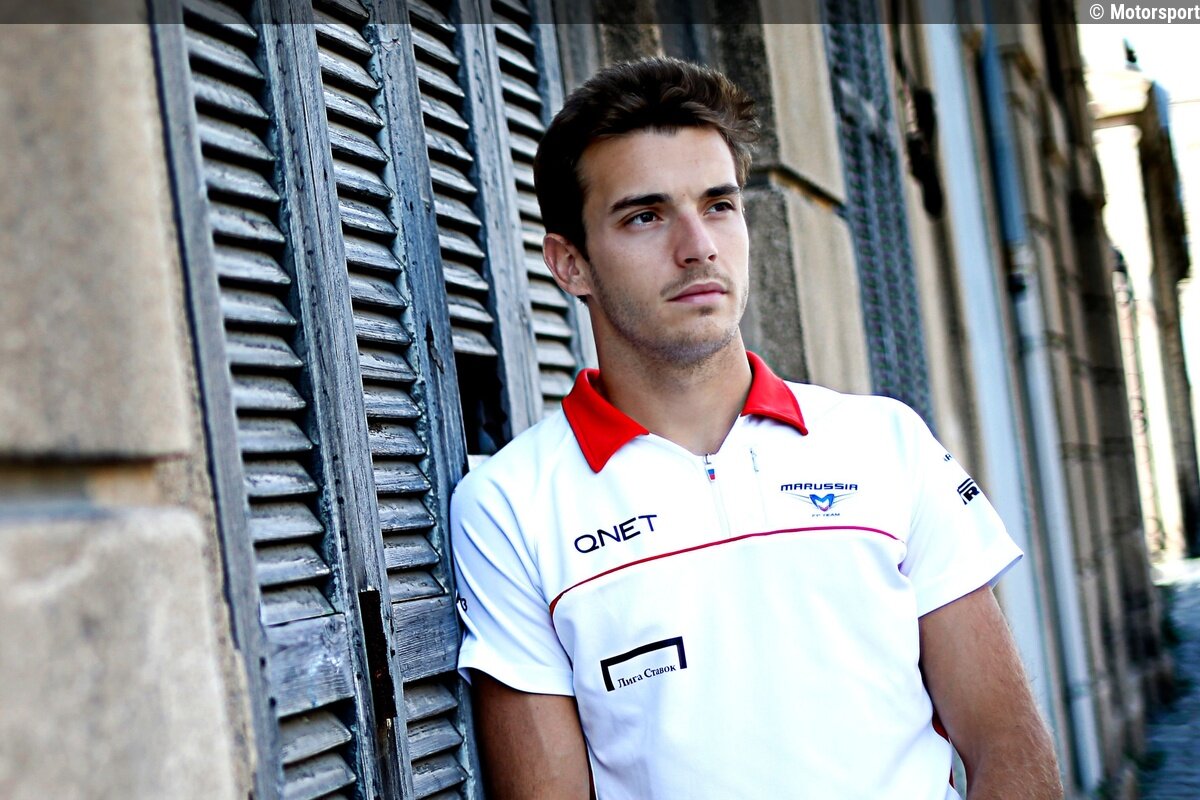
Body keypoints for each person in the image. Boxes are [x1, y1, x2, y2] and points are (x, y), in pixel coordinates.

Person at [450, 56, 1061, 799]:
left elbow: (1007, 748)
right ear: (570, 264)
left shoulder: (886, 446)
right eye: (645, 216)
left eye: (718, 205)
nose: (697, 246)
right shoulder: (511, 506)